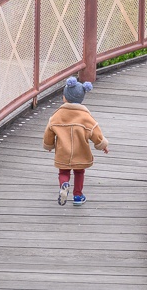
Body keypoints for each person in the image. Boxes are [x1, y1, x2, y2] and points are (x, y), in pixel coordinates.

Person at [43, 77, 109, 205]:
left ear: (65, 98)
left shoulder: (57, 115)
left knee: (63, 171)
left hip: (63, 151)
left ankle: (64, 184)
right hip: (81, 151)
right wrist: (102, 145)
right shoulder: (86, 117)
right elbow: (95, 131)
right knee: (79, 172)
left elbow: (49, 130)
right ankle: (78, 196)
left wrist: (49, 145)